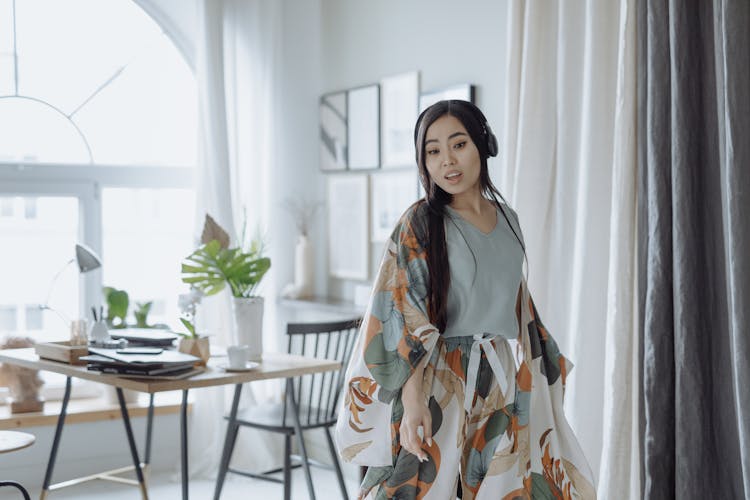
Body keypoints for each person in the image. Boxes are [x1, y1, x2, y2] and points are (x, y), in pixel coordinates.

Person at [335, 100, 595, 499]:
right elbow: (405, 312)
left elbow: (518, 304)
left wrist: (538, 377)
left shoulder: (509, 220)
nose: (447, 161)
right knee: (411, 489)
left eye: (458, 145)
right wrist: (413, 399)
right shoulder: (421, 221)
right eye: (433, 151)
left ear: (482, 145)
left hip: (499, 376)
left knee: (501, 488)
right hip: (439, 377)